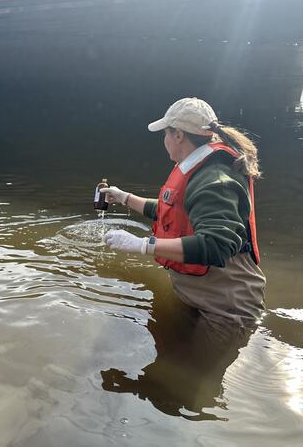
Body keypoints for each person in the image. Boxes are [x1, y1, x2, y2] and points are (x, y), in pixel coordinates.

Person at [101, 97, 265, 327]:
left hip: (226, 309)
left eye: (165, 134)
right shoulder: (198, 167)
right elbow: (171, 211)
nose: (165, 141)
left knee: (198, 364)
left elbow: (216, 245)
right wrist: (125, 198)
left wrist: (142, 245)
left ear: (178, 135)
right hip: (196, 294)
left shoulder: (214, 178)